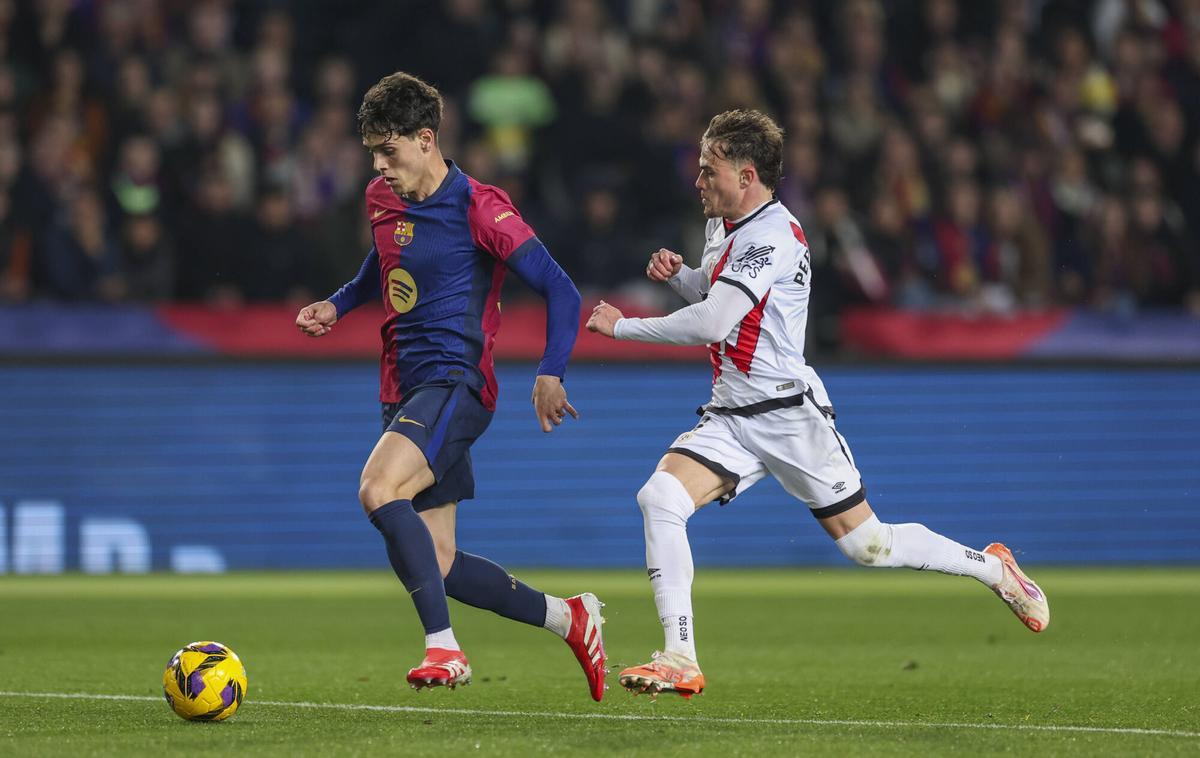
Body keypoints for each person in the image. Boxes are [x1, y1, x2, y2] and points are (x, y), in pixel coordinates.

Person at [586, 109, 1049, 699]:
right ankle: (680, 656)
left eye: (709, 171)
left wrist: (624, 328)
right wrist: (682, 277)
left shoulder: (773, 235)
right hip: (731, 414)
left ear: (746, 175)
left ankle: (992, 568)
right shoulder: (726, 224)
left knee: (869, 546)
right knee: (659, 498)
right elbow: (715, 288)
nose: (698, 181)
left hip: (787, 415)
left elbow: (716, 321)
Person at [295, 72, 606, 700]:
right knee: (436, 561)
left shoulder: (481, 206)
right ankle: (569, 617)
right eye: (373, 155)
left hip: (457, 383)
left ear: (427, 139)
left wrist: (551, 371)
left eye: (390, 152)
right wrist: (338, 303)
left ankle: (445, 649)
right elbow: (382, 266)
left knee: (379, 490)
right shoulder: (382, 200)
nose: (380, 168)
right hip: (405, 390)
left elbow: (560, 289)